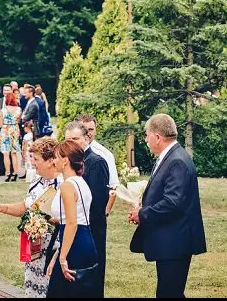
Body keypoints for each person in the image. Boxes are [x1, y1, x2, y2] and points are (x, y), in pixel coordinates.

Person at [127, 114, 206, 299]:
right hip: (170, 240)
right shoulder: (170, 156)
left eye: (147, 135)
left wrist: (142, 214)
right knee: (170, 292)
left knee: (169, 293)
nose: (145, 139)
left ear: (157, 137)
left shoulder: (176, 160)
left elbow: (173, 202)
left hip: (176, 241)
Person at [0, 137, 62, 297]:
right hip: (33, 247)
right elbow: (27, 206)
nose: (32, 162)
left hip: (53, 248)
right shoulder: (36, 180)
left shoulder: (63, 184)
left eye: (36, 159)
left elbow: (67, 219)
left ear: (50, 161)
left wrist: (44, 220)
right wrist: (3, 208)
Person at [63, 121, 110, 297]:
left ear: (86, 138)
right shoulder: (72, 164)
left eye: (75, 139)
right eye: (68, 140)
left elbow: (98, 204)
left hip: (91, 232)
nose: (72, 143)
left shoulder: (96, 162)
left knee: (92, 281)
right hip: (75, 230)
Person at [45, 140, 98, 298]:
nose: (53, 161)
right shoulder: (82, 183)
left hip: (74, 244)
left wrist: (62, 258)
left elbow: (71, 223)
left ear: (65, 160)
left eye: (55, 157)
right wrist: (57, 256)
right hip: (85, 241)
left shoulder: (67, 186)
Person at [0, 93, 23, 181]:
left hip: (5, 130)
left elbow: (0, 123)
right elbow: (18, 120)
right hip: (15, 130)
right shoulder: (18, 109)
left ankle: (8, 173)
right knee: (14, 153)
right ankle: (15, 173)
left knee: (6, 154)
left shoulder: (3, 110)